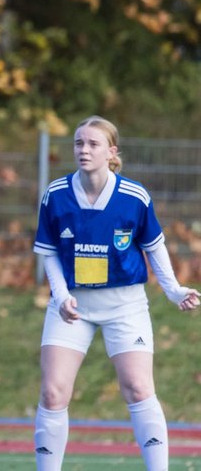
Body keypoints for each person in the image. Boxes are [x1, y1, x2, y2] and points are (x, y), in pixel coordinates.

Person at [32, 116, 199, 471]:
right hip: (71, 306)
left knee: (138, 388)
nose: (83, 150)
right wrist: (61, 296)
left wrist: (173, 290)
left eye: (93, 144)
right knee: (52, 393)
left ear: (112, 152)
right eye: (79, 143)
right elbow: (48, 251)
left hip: (125, 305)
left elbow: (155, 246)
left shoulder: (134, 196)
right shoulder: (56, 194)